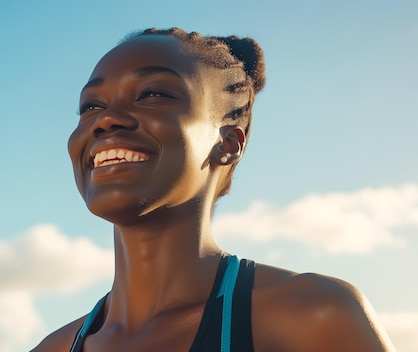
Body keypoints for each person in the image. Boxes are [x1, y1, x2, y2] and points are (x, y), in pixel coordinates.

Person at [32, 28, 395, 352]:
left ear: (228, 143)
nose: (105, 119)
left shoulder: (313, 316)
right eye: (91, 106)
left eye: (153, 93)